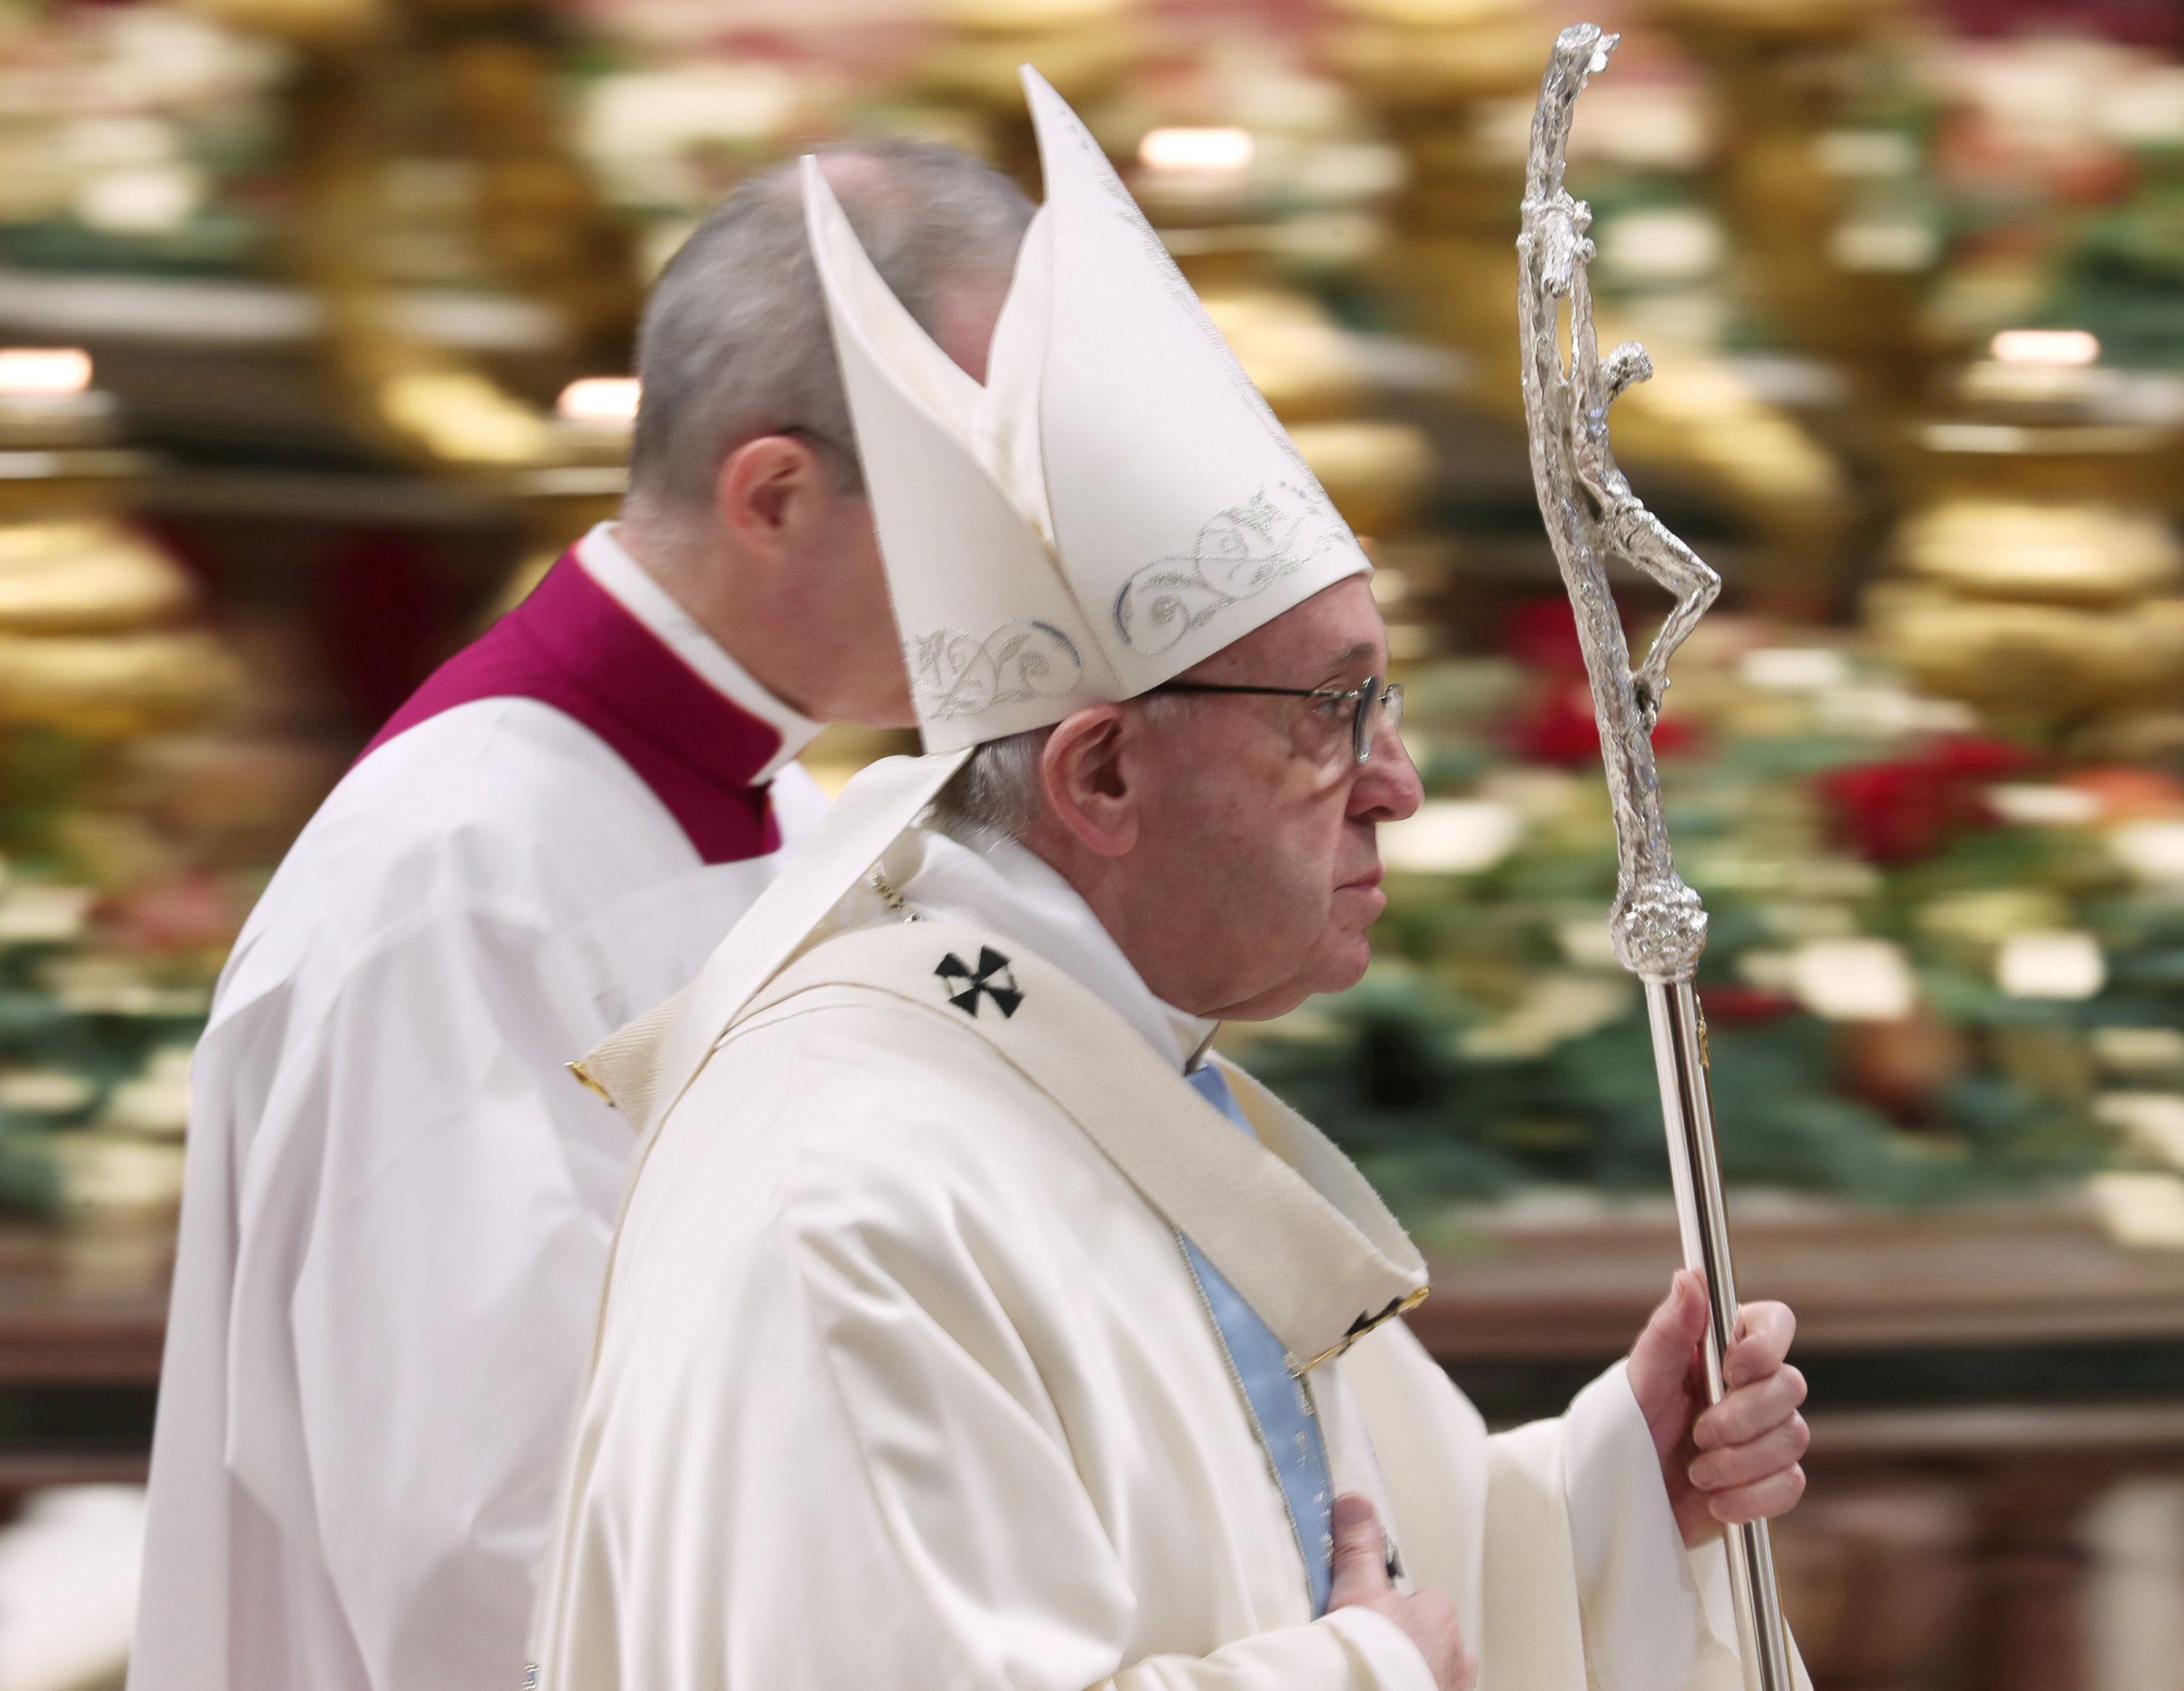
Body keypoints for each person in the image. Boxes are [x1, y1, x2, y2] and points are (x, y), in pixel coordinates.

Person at [529, 71, 1809, 1691]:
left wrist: (1622, 1484)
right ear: (1102, 776)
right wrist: (1372, 1680)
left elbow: (1302, 1542)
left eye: (1386, 705)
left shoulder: (1101, 1080)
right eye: (1331, 716)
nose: (1396, 787)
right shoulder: (845, 1192)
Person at [129, 141, 1034, 1691]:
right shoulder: (457, 877)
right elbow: (485, 1543)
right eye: (989, 495)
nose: (1029, 560)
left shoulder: (793, 810)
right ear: (775, 495)